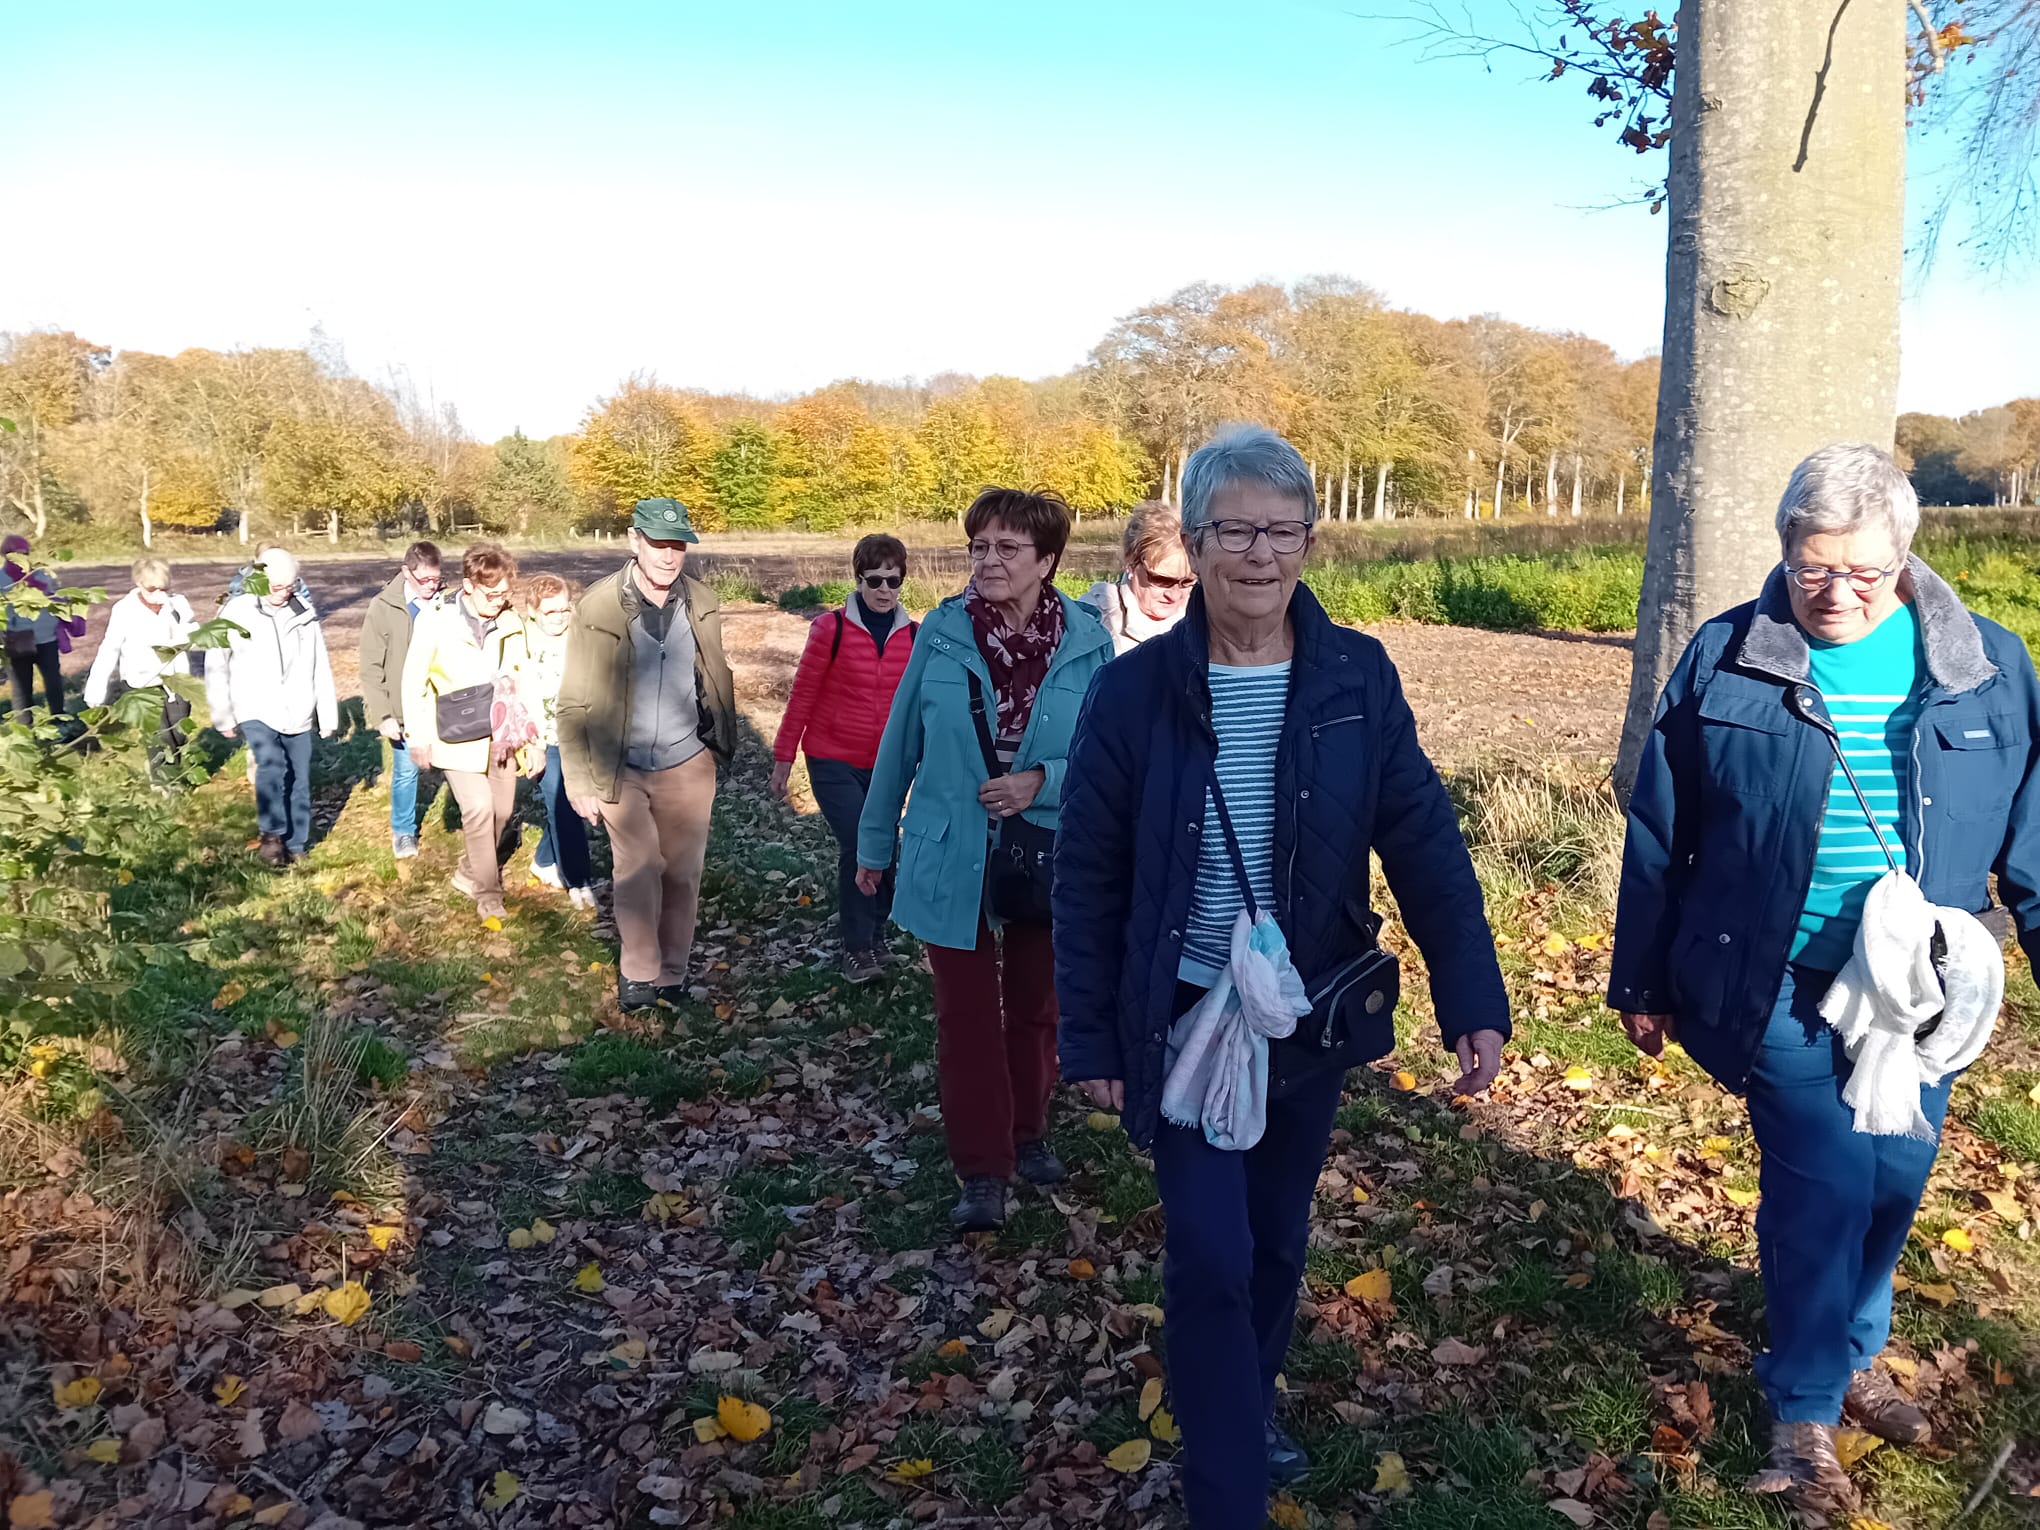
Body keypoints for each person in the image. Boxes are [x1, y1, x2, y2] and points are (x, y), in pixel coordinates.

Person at [1055, 424, 1509, 1529]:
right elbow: (1089, 873)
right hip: (1180, 1014)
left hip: (1304, 1017)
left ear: (1310, 539)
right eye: (1234, 531)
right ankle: (1228, 1495)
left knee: (1272, 1240)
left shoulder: (1357, 677)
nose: (1259, 555)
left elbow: (1425, 842)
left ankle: (1240, 1403)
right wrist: (1091, 1034)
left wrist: (1472, 998)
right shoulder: (1136, 693)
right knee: (1210, 1253)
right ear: (1195, 540)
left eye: (1281, 531)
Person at [1609, 443, 2040, 1517]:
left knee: (1893, 1181)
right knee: (1826, 1184)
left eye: (1861, 571)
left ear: (1905, 555)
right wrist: (1640, 977)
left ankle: (1851, 1352)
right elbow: (1661, 826)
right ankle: (1803, 1412)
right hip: (1773, 978)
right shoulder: (1727, 656)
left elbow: (2034, 837)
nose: (1834, 591)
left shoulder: (1987, 664)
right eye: (1812, 567)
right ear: (1785, 552)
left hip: (1920, 996)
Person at [856, 488, 1113, 1232]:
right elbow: (900, 744)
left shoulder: (1090, 644)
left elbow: (1107, 757)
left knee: (1036, 1008)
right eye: (979, 547)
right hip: (950, 851)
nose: (988, 561)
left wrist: (1041, 782)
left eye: (1007, 548)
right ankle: (982, 1170)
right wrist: (874, 845)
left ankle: (1028, 1132)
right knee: (965, 1017)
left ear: (1048, 560)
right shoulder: (940, 634)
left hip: (1048, 850)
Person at [558, 498, 737, 1012]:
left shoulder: (702, 601)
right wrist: (578, 778)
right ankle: (638, 971)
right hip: (621, 762)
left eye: (677, 544)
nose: (668, 555)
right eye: (658, 543)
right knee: (637, 866)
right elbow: (572, 700)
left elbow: (713, 675)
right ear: (634, 540)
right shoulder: (598, 607)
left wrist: (717, 742)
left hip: (689, 760)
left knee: (682, 872)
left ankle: (671, 974)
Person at [771, 533, 919, 983]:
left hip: (887, 766)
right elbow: (803, 695)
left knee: (886, 846)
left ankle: (876, 935)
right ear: (858, 579)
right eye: (874, 580)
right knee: (861, 846)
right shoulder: (829, 629)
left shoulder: (915, 636)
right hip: (832, 758)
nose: (884, 590)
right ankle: (856, 949)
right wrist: (783, 757)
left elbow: (921, 705)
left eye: (893, 581)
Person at [402, 542, 531, 924]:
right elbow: (414, 681)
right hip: (454, 733)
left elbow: (524, 677)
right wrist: (418, 737)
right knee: (478, 808)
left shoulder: (511, 621)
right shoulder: (435, 620)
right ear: (468, 585)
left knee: (502, 812)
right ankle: (488, 894)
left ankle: (468, 871)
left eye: (505, 593)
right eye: (492, 594)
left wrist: (533, 738)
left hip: (500, 732)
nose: (500, 601)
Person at [207, 548, 339, 866]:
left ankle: (297, 843)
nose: (284, 592)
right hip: (254, 705)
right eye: (277, 586)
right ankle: (272, 836)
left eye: (290, 585)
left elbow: (319, 663)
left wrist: (327, 714)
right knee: (271, 765)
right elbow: (216, 663)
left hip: (298, 707)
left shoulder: (303, 611)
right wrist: (222, 715)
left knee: (299, 777)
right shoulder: (237, 610)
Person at [360, 540, 443, 859]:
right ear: (406, 572)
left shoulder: (446, 603)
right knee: (407, 771)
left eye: (436, 579)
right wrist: (384, 715)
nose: (431, 586)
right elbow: (370, 666)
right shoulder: (383, 607)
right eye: (424, 579)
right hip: (405, 710)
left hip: (444, 706)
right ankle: (404, 831)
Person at [517, 572, 595, 910]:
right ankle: (578, 881)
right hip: (542, 739)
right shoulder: (520, 642)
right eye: (551, 611)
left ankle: (544, 861)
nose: (560, 617)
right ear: (533, 611)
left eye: (565, 609)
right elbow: (518, 694)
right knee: (564, 805)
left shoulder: (580, 636)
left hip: (578, 736)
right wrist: (531, 742)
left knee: (569, 805)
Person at [83, 557, 197, 781]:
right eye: (153, 589)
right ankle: (163, 783)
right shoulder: (124, 609)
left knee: (178, 732)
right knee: (158, 735)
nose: (159, 595)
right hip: (141, 682)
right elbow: (110, 648)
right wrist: (95, 689)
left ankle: (172, 769)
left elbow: (193, 635)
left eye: (164, 589)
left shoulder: (178, 604)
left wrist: (178, 623)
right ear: (139, 583)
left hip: (176, 679)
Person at [1078, 499, 1196, 655]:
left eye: (1187, 582)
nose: (1173, 595)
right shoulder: (1091, 619)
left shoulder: (1206, 620)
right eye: (1161, 580)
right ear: (1131, 563)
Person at [2, 533, 82, 719]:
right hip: (17, 641)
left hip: (47, 638)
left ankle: (59, 718)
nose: (21, 557)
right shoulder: (1, 579)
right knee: (22, 687)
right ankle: (25, 726)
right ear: (6, 554)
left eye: (24, 553)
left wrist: (66, 603)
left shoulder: (41, 574)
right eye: (15, 553)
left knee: (54, 681)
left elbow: (53, 598)